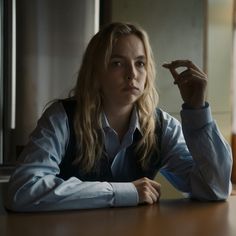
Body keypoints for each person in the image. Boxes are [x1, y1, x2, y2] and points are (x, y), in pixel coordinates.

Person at [5, 22, 232, 212]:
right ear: (96, 72)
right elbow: (23, 190)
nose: (132, 74)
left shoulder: (162, 126)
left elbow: (215, 189)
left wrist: (197, 111)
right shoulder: (62, 118)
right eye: (117, 63)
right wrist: (124, 192)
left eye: (140, 63)